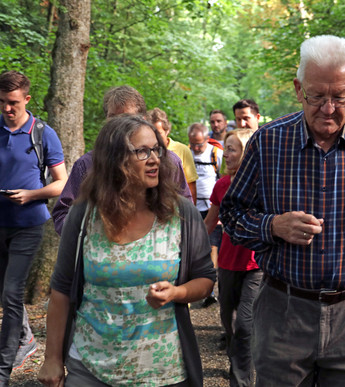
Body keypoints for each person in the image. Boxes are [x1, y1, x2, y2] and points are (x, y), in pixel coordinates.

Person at [220, 35, 345, 386]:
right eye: (317, 96)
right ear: (299, 89)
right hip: (283, 311)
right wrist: (272, 226)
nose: (328, 108)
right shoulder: (268, 142)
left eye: (340, 97)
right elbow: (233, 215)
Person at [37, 115, 215, 387]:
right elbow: (61, 289)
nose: (154, 158)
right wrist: (52, 358)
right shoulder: (84, 215)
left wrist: (178, 293)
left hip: (162, 371)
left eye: (156, 149)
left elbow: (204, 279)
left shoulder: (181, 214)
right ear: (114, 159)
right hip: (90, 366)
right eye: (142, 151)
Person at [0, 70, 67, 385]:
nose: (7, 109)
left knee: (12, 292)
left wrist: (31, 195)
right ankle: (25, 338)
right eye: (1, 102)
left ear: (26, 99)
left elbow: (62, 184)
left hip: (28, 225)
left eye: (13, 103)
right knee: (5, 293)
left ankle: (3, 369)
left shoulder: (42, 133)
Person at [52, 85, 193, 235]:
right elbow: (63, 213)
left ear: (143, 120)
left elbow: (185, 211)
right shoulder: (87, 165)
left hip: (159, 251)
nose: (120, 125)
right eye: (114, 118)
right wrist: (91, 234)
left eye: (128, 118)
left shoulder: (166, 161)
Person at [205, 129, 261, 387]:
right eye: (226, 148)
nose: (225, 154)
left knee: (245, 324)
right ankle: (237, 359)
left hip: (256, 265)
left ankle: (241, 380)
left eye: (231, 149)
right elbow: (209, 222)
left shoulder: (263, 184)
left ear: (247, 152)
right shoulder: (221, 185)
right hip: (227, 262)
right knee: (228, 321)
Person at [188, 122, 223, 308]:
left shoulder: (216, 153)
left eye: (199, 144)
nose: (195, 147)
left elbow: (223, 177)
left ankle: (210, 290)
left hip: (212, 208)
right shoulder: (187, 153)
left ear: (206, 140)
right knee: (195, 248)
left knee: (212, 247)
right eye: (192, 143)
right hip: (193, 208)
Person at [147, 107, 198, 200]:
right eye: (151, 133)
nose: (155, 137)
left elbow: (190, 187)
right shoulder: (144, 153)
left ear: (167, 131)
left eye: (158, 133)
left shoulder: (182, 150)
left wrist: (190, 212)